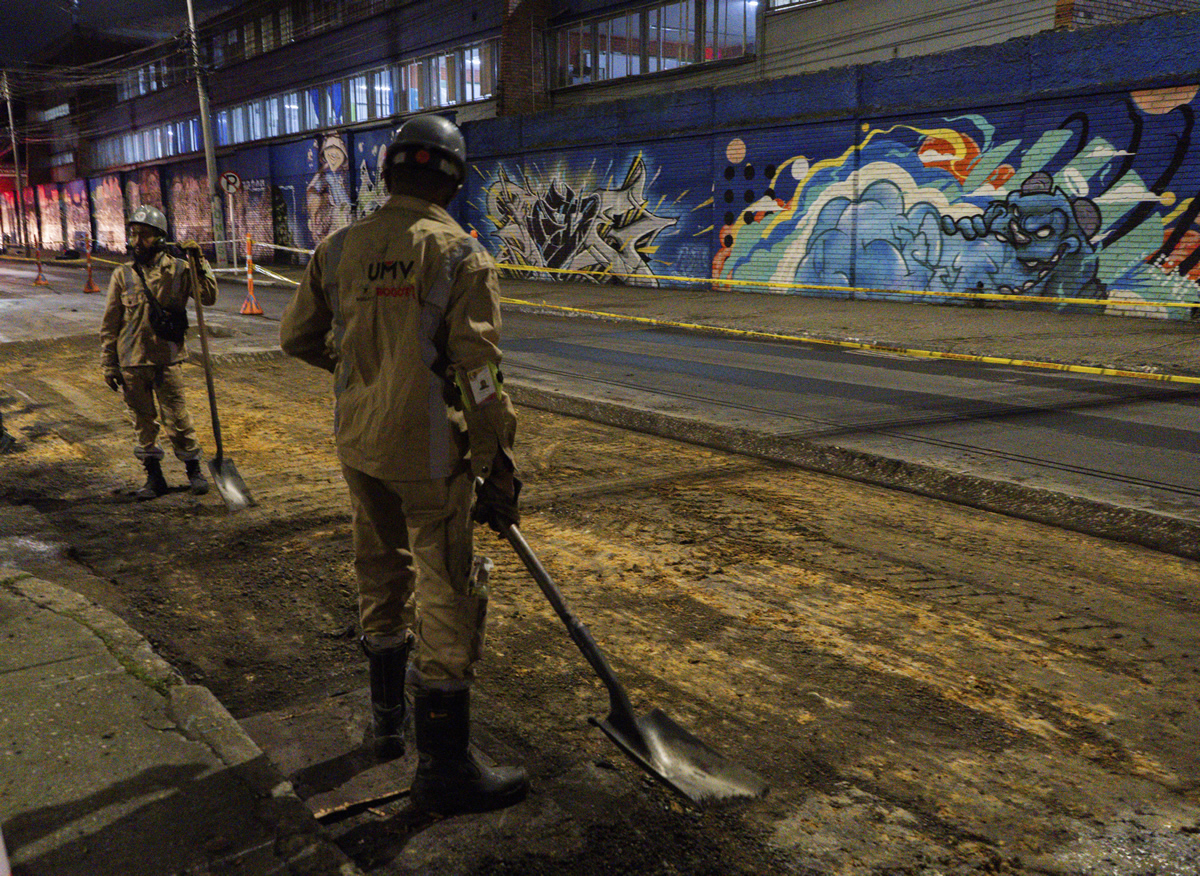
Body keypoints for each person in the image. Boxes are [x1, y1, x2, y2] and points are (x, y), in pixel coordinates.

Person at [280, 114, 527, 815]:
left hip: (359, 443)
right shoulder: (458, 256)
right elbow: (481, 376)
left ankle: (387, 725)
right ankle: (445, 766)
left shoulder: (340, 247)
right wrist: (495, 461)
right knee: (446, 589)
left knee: (379, 569)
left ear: (387, 172)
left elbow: (295, 336)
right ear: (453, 179)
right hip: (428, 455)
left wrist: (361, 370)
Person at [101, 205, 218, 500]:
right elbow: (110, 324)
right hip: (132, 362)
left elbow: (208, 296)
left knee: (178, 418)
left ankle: (194, 471)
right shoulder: (122, 275)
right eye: (134, 234)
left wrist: (199, 259)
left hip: (168, 358)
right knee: (143, 422)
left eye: (145, 235)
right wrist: (109, 364)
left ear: (161, 238)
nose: (137, 241)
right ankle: (154, 478)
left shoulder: (179, 269)